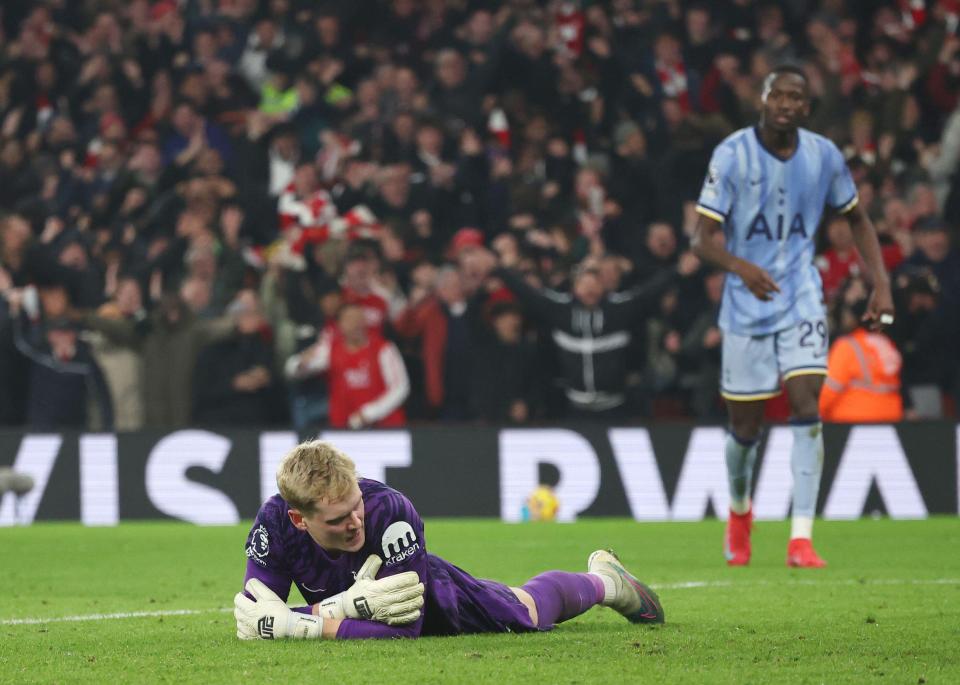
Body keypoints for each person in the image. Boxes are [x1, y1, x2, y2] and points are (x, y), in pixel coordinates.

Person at [691, 65, 895, 568]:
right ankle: (740, 512)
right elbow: (701, 239)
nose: (785, 104)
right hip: (746, 302)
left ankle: (801, 538)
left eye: (795, 98)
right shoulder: (732, 153)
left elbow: (858, 219)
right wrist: (742, 268)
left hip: (801, 293)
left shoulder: (824, 155)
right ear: (762, 99)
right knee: (746, 426)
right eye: (777, 95)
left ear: (807, 107)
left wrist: (881, 284)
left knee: (807, 402)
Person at [233, 440, 664, 640]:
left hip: (435, 599)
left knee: (526, 610)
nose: (355, 523)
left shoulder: (391, 513)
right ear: (299, 518)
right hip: (352, 608)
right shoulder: (274, 523)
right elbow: (255, 615)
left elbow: (403, 629)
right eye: (338, 519)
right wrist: (339, 610)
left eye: (355, 505)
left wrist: (302, 623)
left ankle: (606, 581)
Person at [285, 302, 409, 429]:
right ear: (339, 325)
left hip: (384, 428)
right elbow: (292, 369)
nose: (355, 324)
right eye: (350, 320)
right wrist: (301, 363)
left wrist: (369, 413)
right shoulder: (330, 350)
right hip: (343, 429)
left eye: (359, 319)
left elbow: (400, 388)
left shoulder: (384, 349)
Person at [819, 278, 903, 423]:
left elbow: (829, 390)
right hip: (891, 418)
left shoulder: (848, 346)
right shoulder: (887, 344)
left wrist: (811, 415)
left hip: (853, 420)